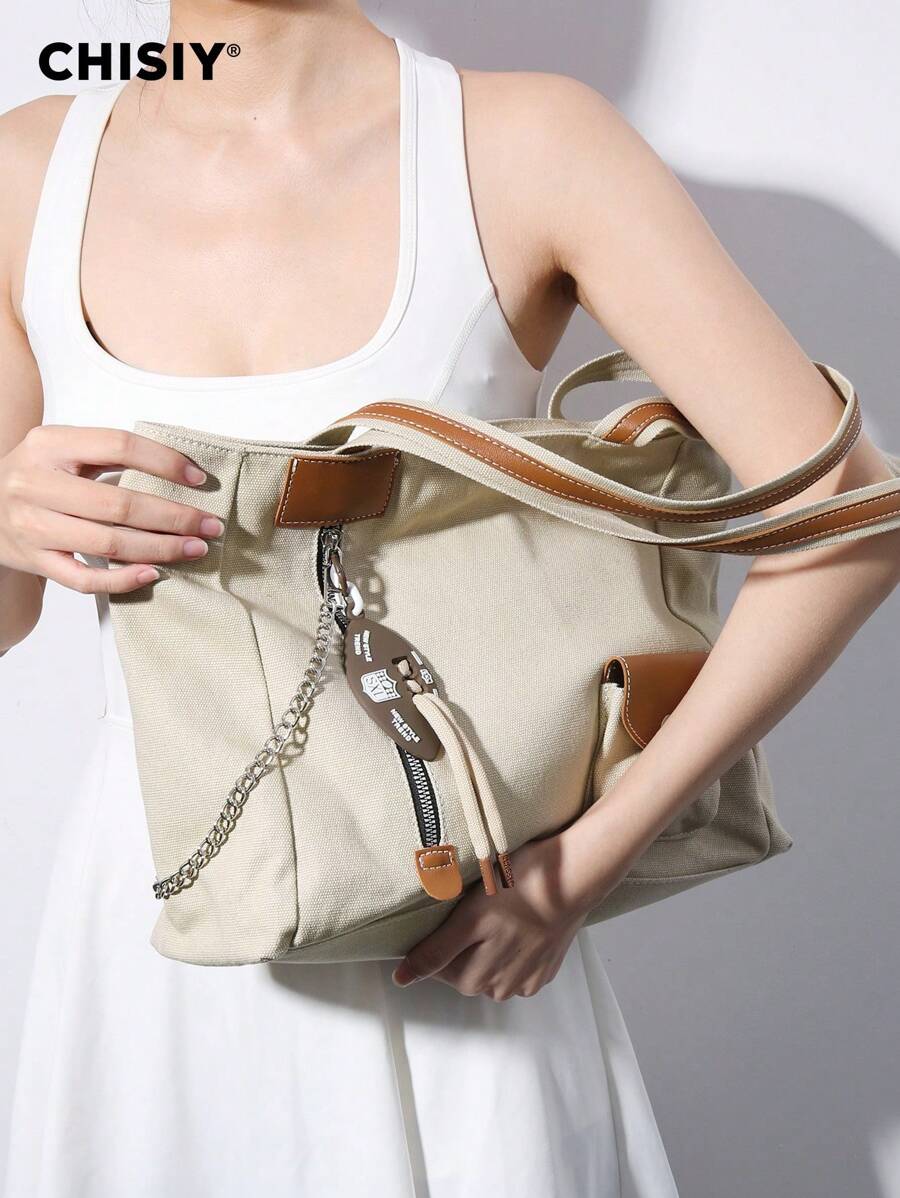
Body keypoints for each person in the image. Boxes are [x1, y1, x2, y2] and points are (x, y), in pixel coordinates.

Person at [1, 5, 897, 1196]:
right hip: (155, 911)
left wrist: (586, 863)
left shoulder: (528, 142)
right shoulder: (28, 170)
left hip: (457, 911)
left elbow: (855, 514)